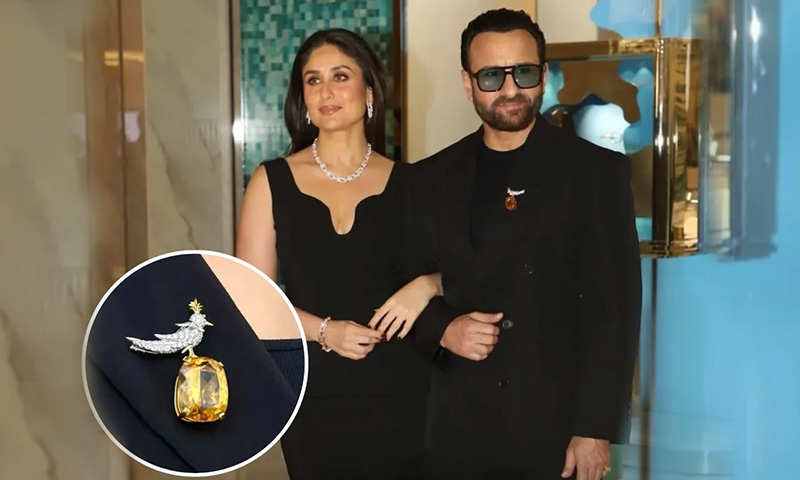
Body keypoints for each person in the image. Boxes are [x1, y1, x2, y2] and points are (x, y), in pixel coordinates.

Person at [409, 9, 642, 480]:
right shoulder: (430, 178)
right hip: (457, 426)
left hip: (557, 430)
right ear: (467, 83)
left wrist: (595, 429)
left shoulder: (597, 173)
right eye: (492, 76)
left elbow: (615, 310)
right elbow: (400, 278)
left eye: (524, 72)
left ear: (545, 74)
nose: (510, 89)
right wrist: (443, 328)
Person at [236, 28, 439, 479]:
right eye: (313, 80)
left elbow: (465, 272)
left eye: (340, 76)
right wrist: (326, 331)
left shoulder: (414, 184)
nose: (326, 91)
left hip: (403, 392)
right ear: (303, 98)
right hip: (311, 396)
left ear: (369, 92)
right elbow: (252, 303)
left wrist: (427, 286)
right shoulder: (270, 182)